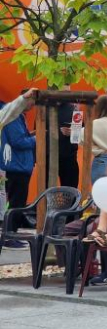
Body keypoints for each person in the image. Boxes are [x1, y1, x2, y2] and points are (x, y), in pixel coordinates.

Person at [0, 93, 36, 249]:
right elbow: (18, 141)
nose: (33, 105)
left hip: (20, 165)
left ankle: (11, 234)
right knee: (16, 202)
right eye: (33, 101)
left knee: (16, 202)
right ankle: (9, 235)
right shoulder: (13, 117)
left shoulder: (18, 117)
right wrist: (36, 138)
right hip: (17, 165)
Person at [56, 99, 80, 188]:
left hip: (69, 158)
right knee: (47, 192)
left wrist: (72, 133)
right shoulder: (46, 108)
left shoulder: (75, 111)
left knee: (70, 192)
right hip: (48, 158)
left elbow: (78, 136)